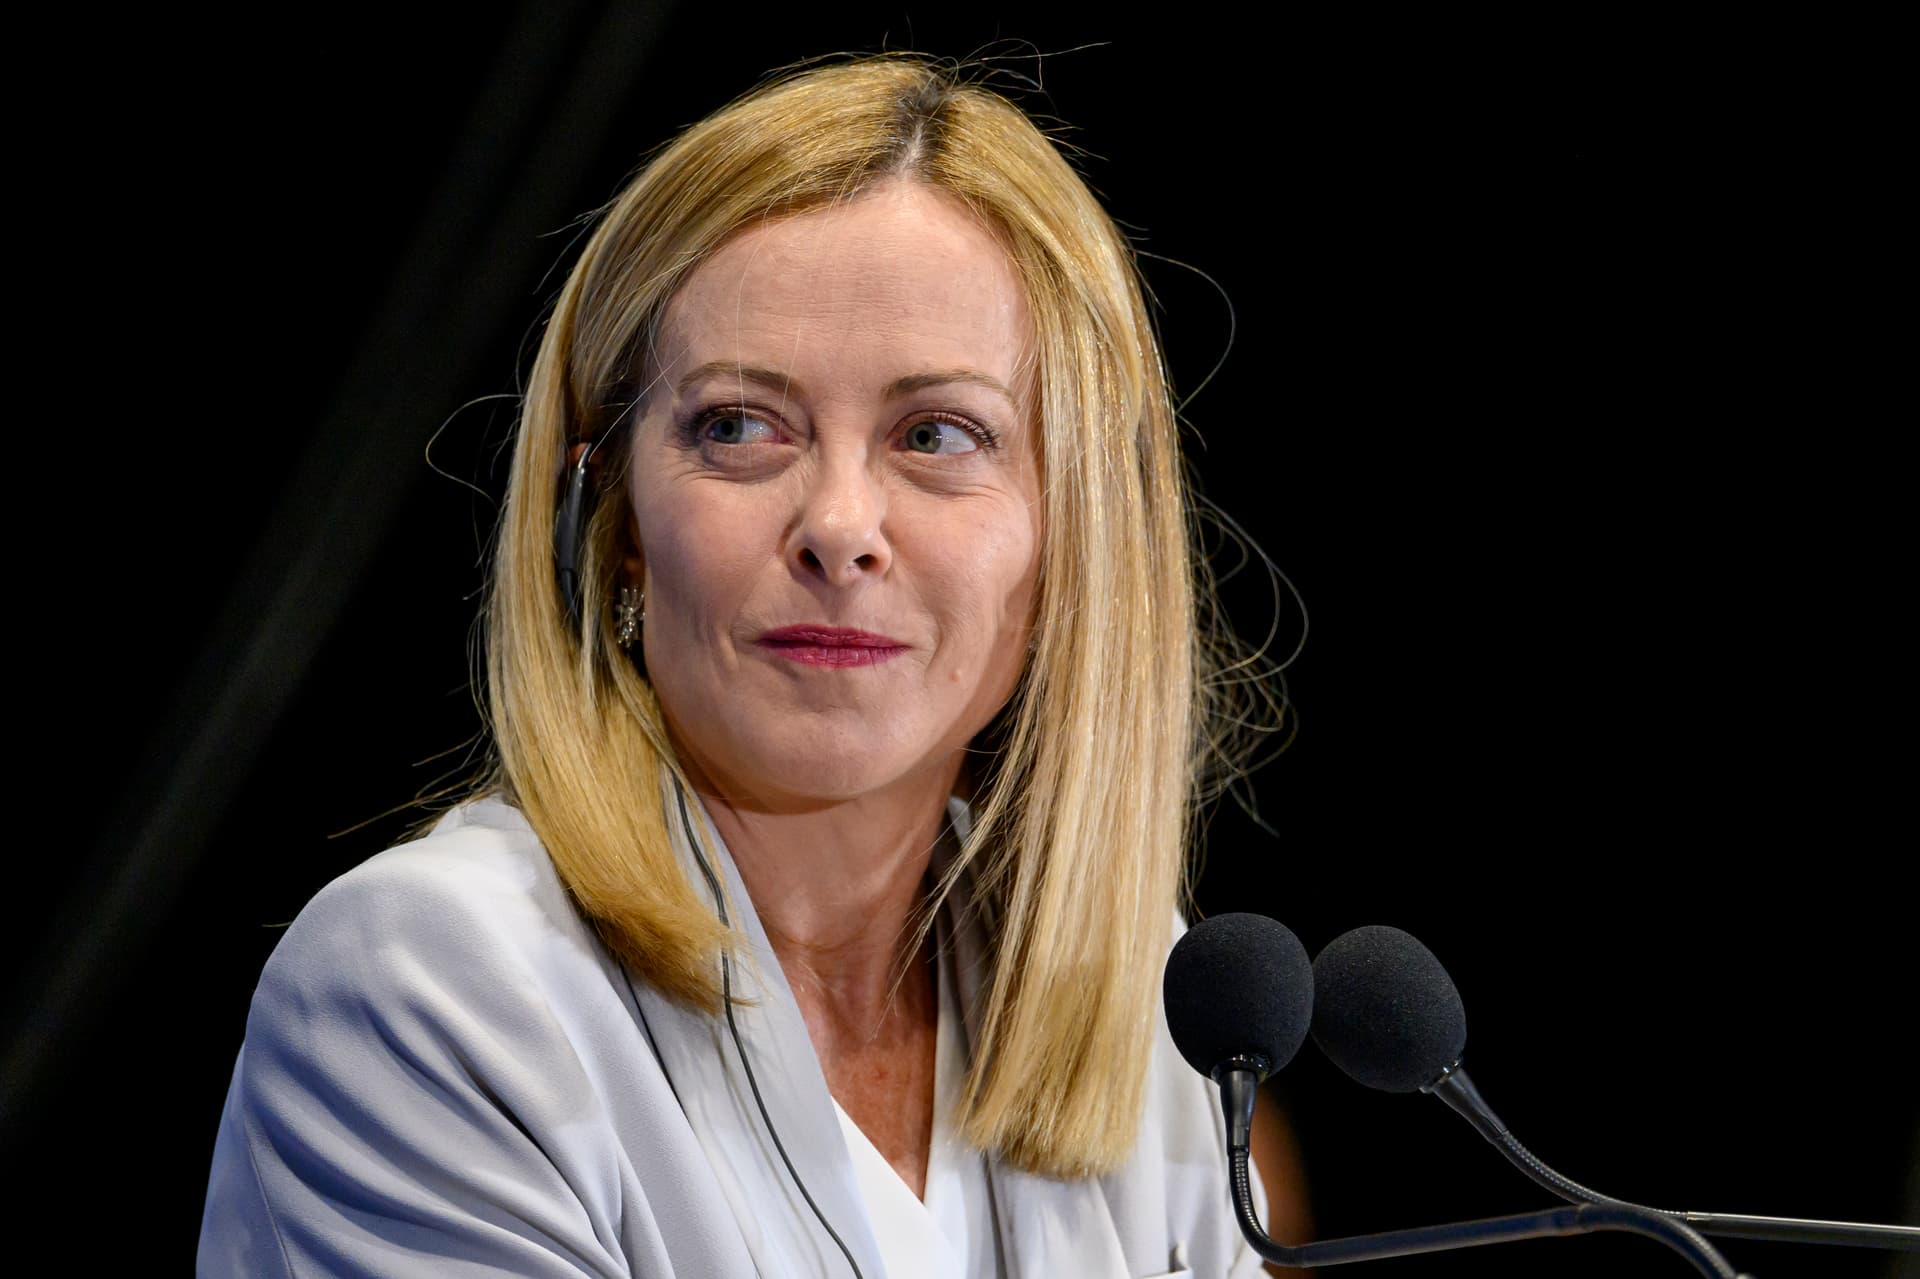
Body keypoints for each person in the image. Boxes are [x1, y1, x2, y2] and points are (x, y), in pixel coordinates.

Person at [198, 54, 1299, 1277]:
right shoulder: (430, 984)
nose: (838, 523)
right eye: (737, 426)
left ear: (1076, 536)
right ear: (608, 521)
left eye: (937, 434)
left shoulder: (1141, 997)